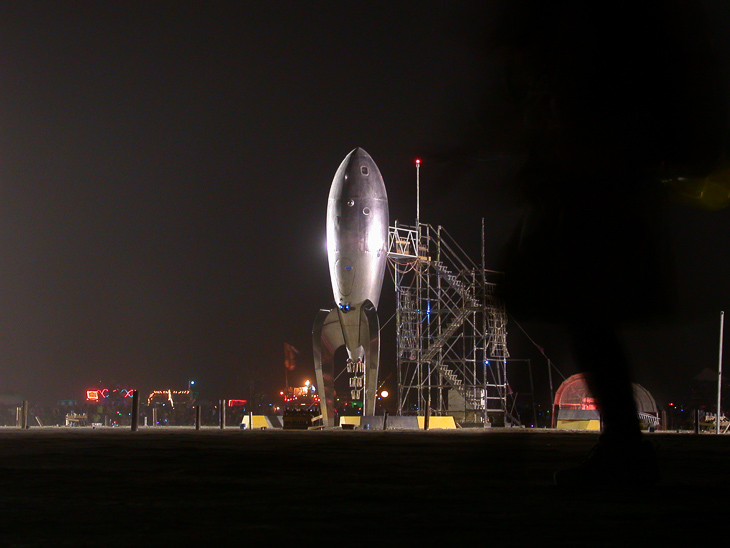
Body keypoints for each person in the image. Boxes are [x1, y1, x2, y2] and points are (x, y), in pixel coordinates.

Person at [493, 1, 727, 485]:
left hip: (596, 170)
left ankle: (615, 446)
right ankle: (618, 443)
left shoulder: (598, 34)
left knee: (581, 308)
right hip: (601, 168)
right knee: (585, 311)